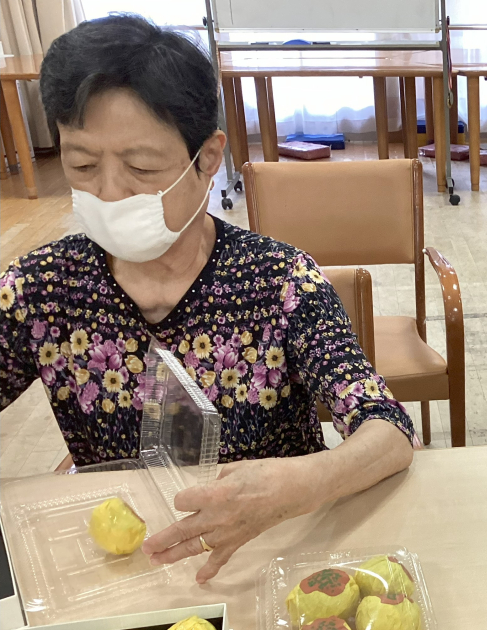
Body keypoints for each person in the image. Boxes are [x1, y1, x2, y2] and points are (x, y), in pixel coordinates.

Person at [0, 16, 414, 582]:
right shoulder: (41, 289)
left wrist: (306, 482)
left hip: (272, 557)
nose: (110, 193)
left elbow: (387, 430)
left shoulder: (278, 281)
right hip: (128, 569)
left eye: (141, 167)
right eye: (82, 165)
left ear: (210, 156)